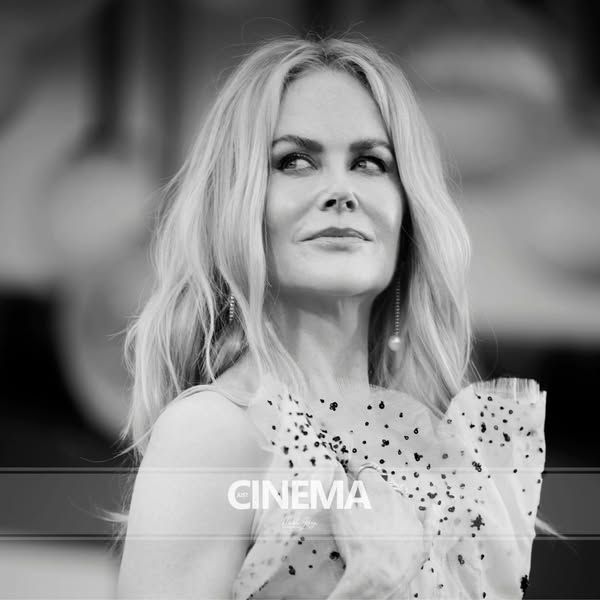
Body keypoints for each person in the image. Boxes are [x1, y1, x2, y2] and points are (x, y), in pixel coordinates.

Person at [116, 36, 549, 599]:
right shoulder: (216, 433)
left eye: (370, 163)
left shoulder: (442, 456)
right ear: (237, 205)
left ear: (407, 211)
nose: (341, 190)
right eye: (295, 161)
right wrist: (370, 585)